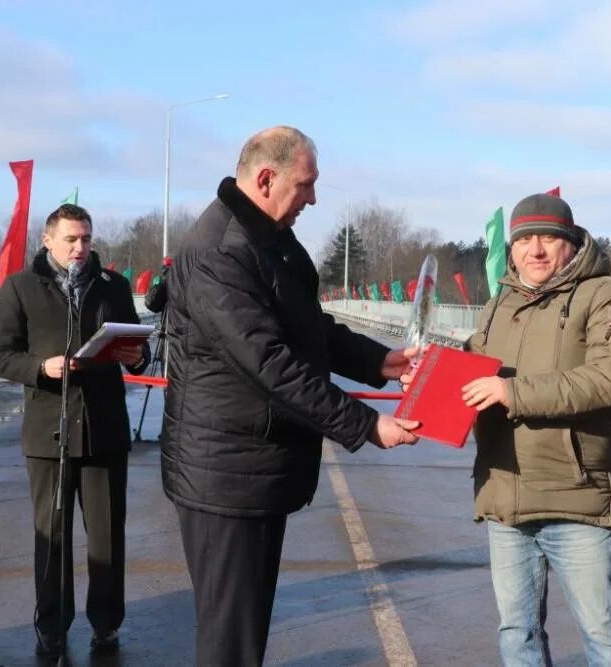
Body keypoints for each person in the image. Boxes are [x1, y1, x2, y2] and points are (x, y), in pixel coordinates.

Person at [161, 125, 420, 667]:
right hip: (225, 475)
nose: (313, 198)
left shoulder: (268, 240)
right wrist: (366, 425)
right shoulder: (221, 252)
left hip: (251, 467)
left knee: (245, 632)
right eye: (306, 184)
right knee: (230, 640)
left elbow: (307, 327)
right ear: (265, 178)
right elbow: (270, 365)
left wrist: (378, 361)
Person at [414, 193, 611, 665]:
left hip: (576, 497)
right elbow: (471, 364)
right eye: (524, 240)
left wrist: (511, 393)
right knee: (517, 635)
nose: (534, 251)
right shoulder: (499, 304)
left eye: (547, 238)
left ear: (572, 244)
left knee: (604, 636)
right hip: (505, 496)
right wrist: (423, 375)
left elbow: (610, 378)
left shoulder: (607, 296)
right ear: (511, 249)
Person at [0, 203, 149, 660]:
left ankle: (106, 624)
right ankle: (52, 627)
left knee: (107, 535)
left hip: (104, 431)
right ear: (48, 240)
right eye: (72, 240)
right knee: (52, 537)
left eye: (87, 239)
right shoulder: (20, 287)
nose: (81, 248)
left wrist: (136, 357)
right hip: (47, 433)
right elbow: (0, 354)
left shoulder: (112, 286)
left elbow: (134, 346)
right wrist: (41, 367)